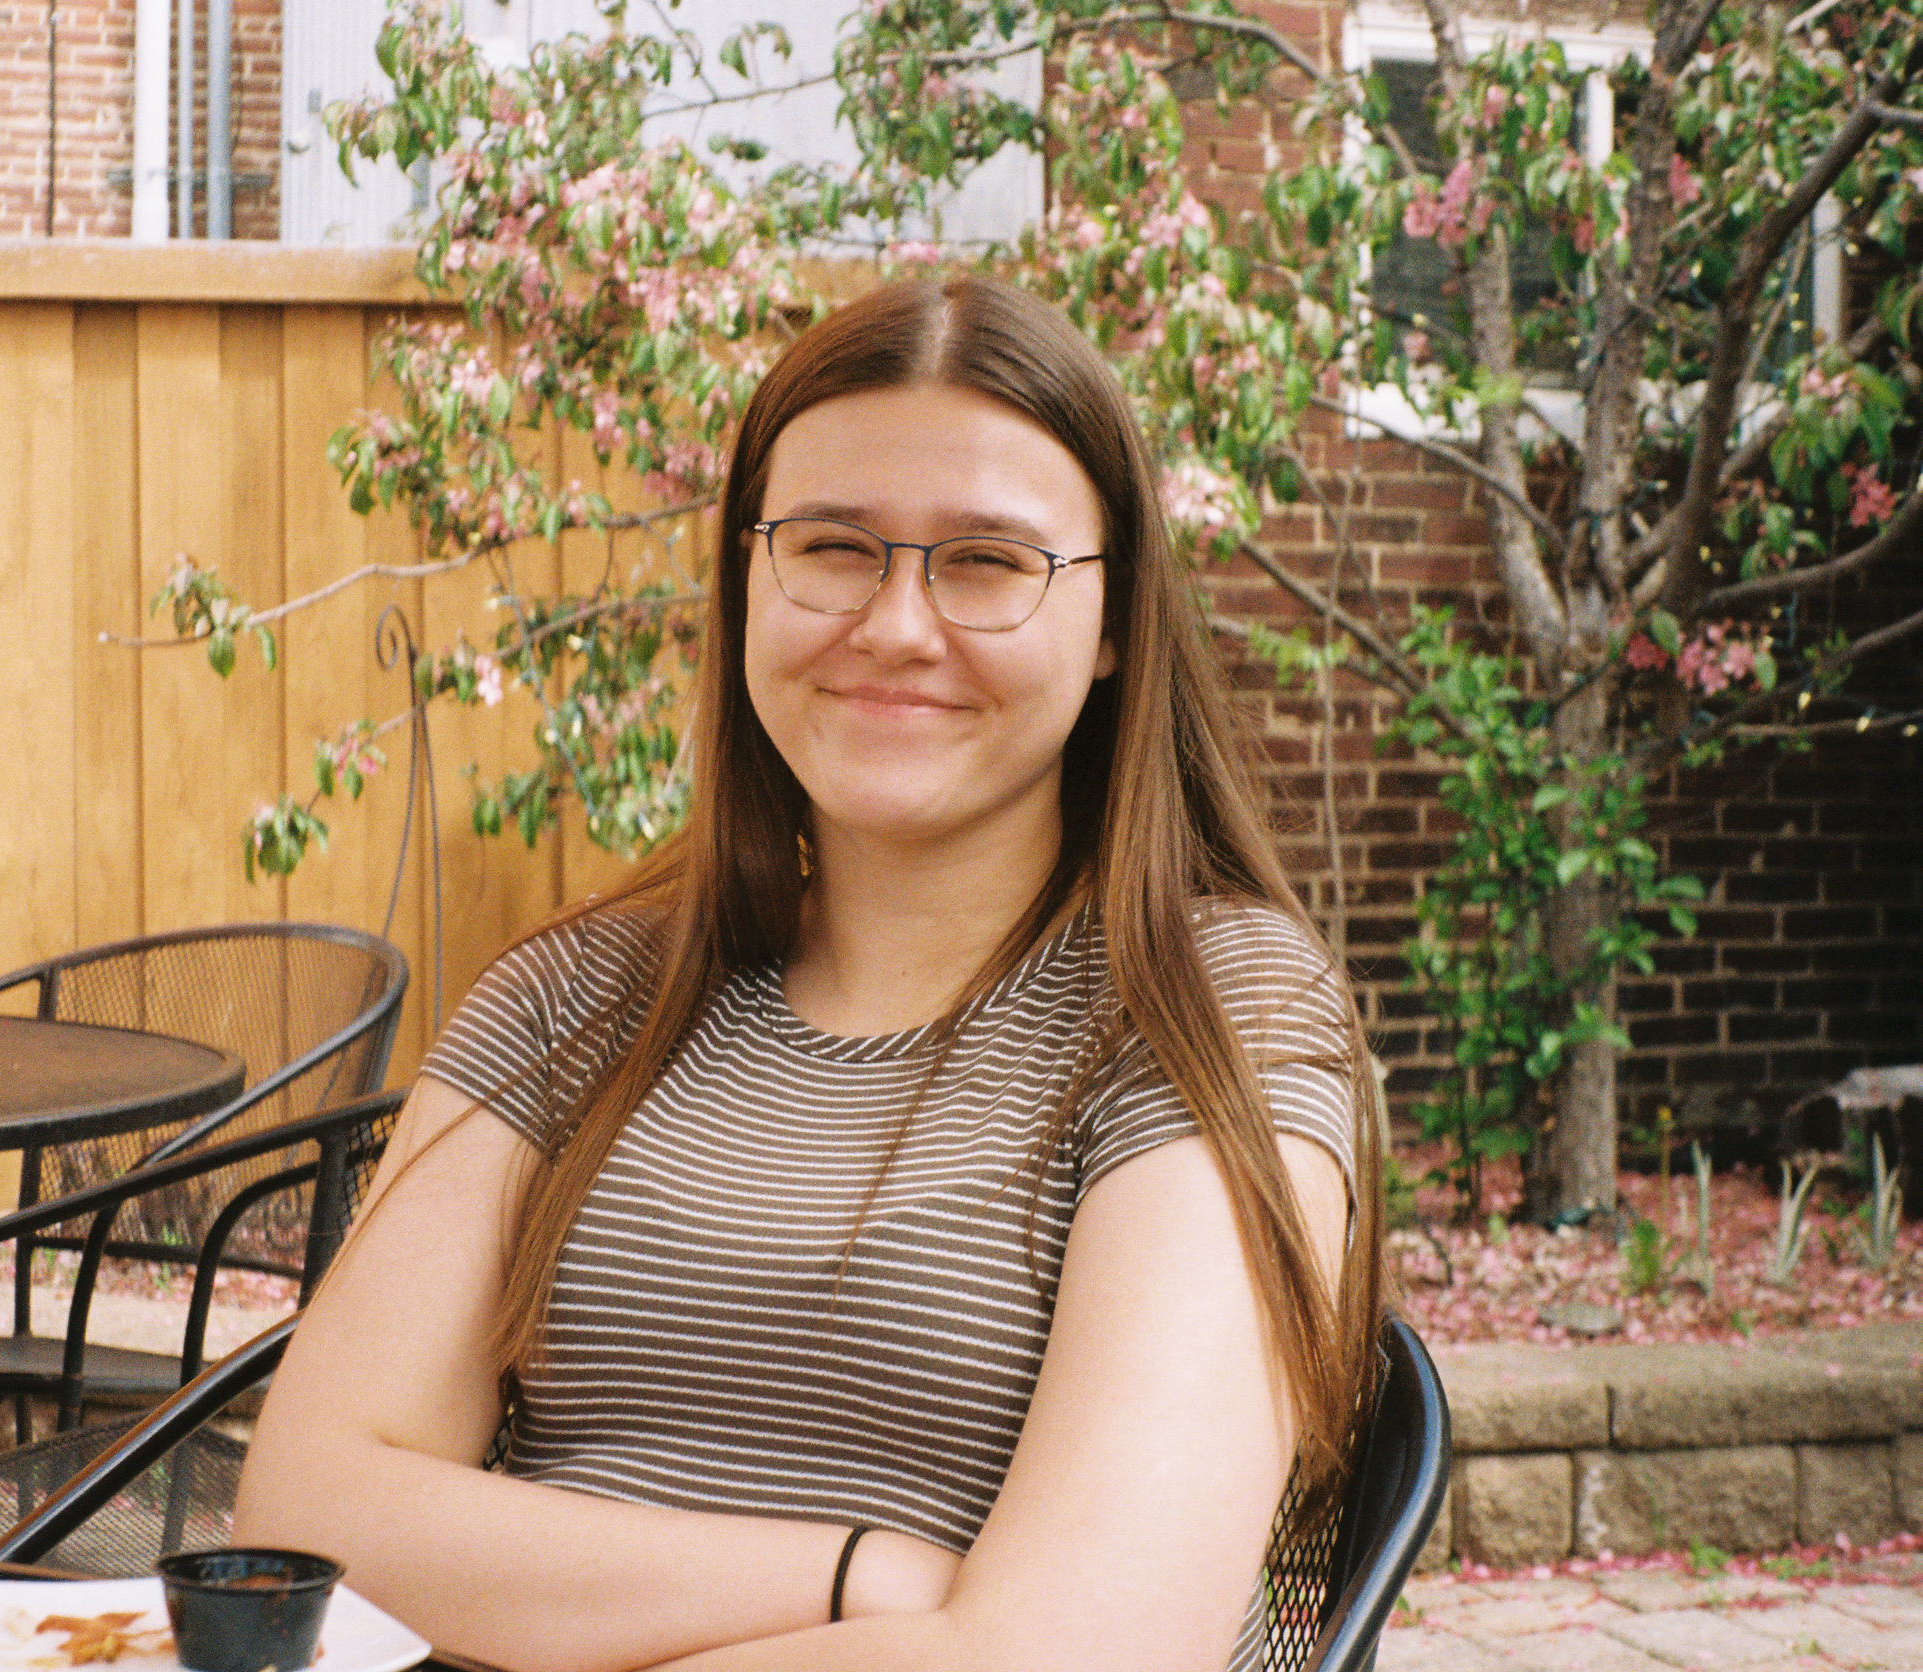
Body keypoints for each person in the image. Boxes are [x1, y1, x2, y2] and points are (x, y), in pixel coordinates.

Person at [235, 274, 1386, 1672]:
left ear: (1116, 625)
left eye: (987, 560)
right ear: (747, 577)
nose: (897, 624)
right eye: (834, 547)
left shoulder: (1214, 1017)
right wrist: (859, 1576)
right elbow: (309, 1525)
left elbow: (1078, 1651)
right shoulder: (582, 999)